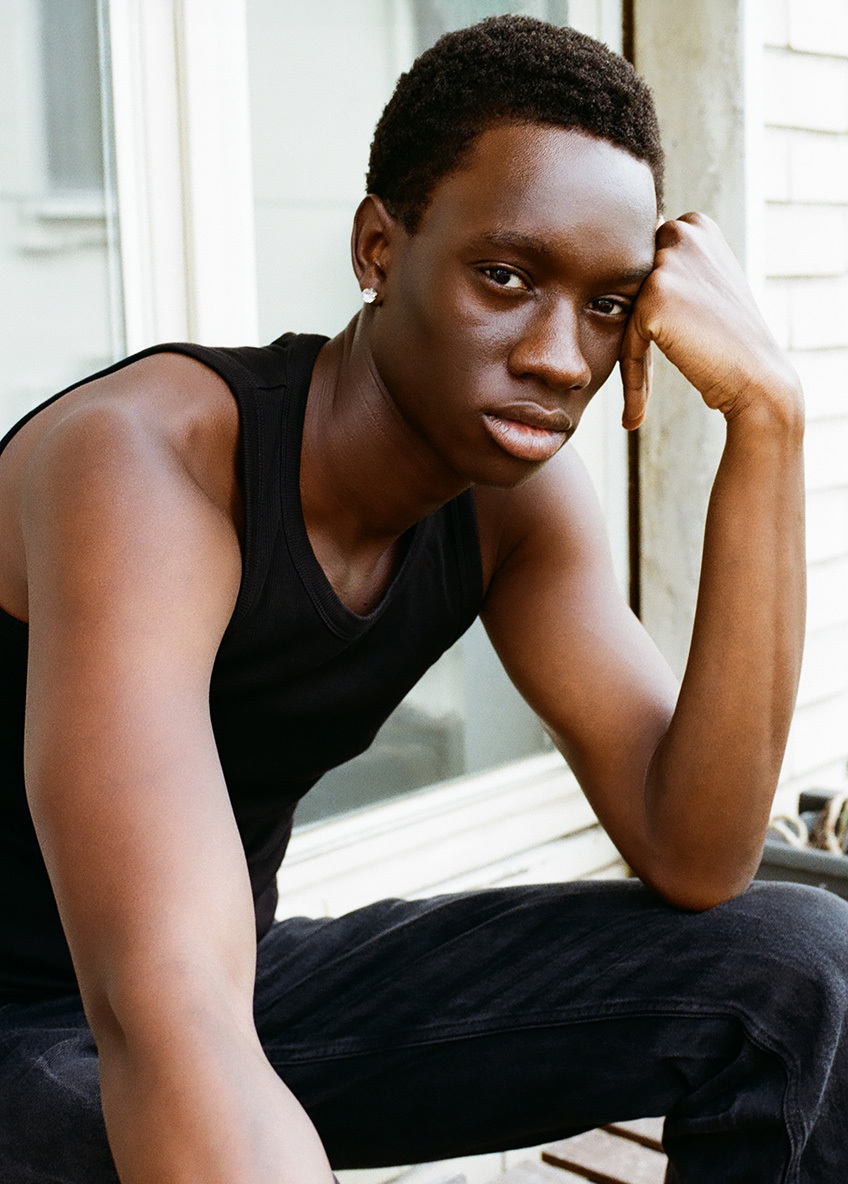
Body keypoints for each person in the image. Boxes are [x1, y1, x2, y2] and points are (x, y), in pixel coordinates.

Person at [0, 14, 845, 1184]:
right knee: (123, 1129)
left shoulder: (515, 507)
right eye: (505, 276)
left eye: (606, 304)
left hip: (222, 987)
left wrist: (767, 421)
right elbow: (162, 1013)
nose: (558, 356)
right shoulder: (149, 464)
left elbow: (693, 849)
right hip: (91, 1015)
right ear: (377, 248)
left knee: (802, 964)